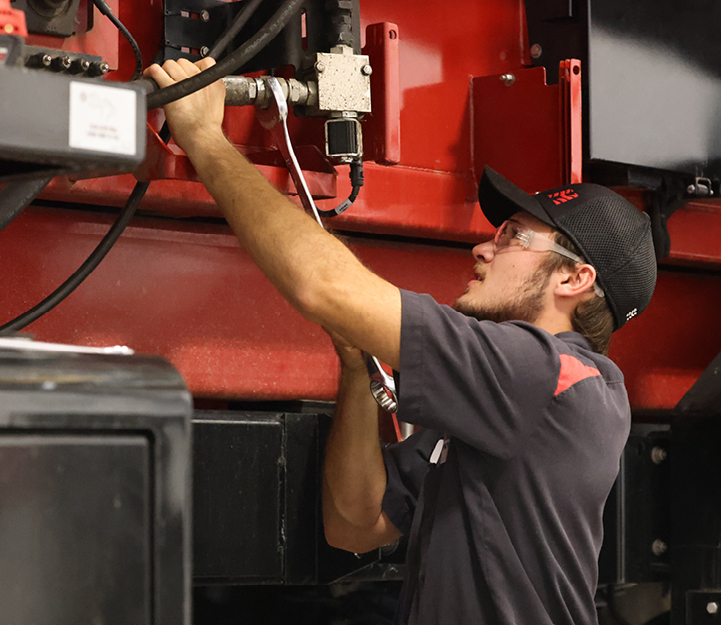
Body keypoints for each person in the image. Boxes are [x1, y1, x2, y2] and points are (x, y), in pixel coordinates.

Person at [144, 57, 658, 625]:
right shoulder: (508, 401)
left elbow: (321, 285)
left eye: (513, 237)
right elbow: (356, 525)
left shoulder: (547, 374)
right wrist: (354, 368)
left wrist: (206, 140)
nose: (483, 250)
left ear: (573, 279)